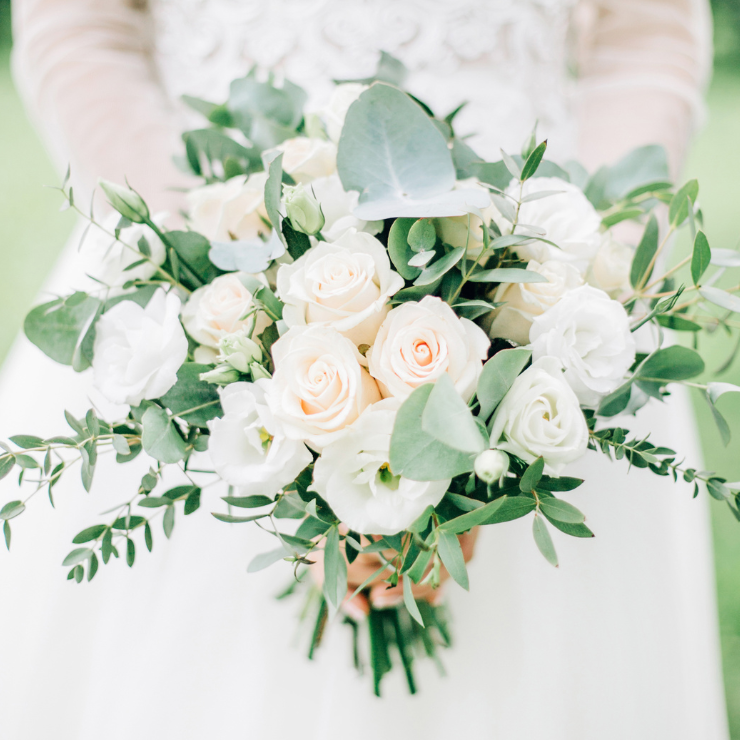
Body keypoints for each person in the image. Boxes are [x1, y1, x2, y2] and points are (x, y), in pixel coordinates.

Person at [0, 1, 728, 738]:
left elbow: (646, 36)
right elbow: (79, 29)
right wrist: (212, 277)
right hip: (201, 287)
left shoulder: (558, 300)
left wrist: (577, 285)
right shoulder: (206, 286)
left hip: (540, 296)